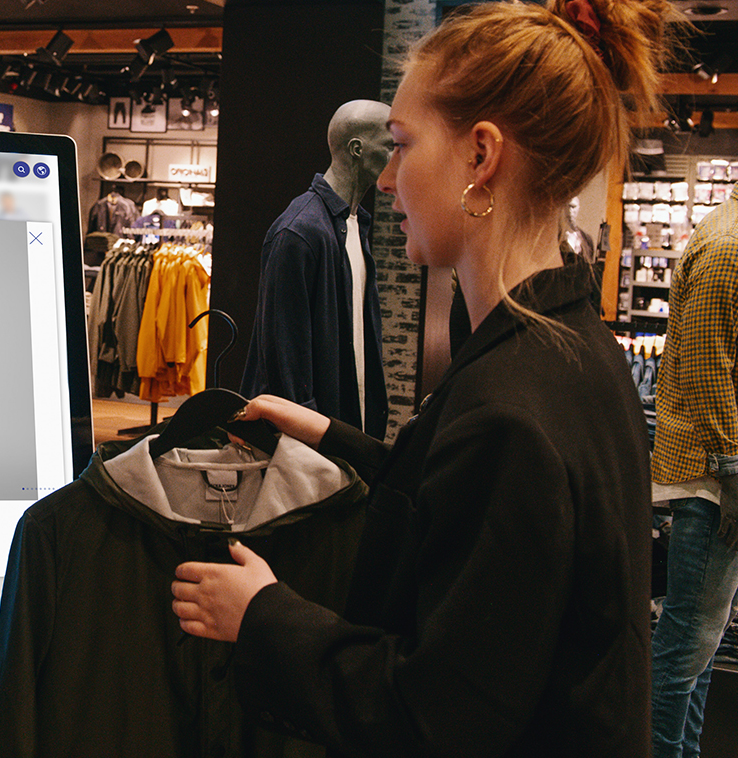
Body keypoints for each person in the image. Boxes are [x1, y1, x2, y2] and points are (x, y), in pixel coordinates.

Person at [172, 2, 678, 755]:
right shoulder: (570, 347)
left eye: (404, 148)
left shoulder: (510, 408)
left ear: (480, 157)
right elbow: (484, 529)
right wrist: (332, 436)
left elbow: (433, 715)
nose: (388, 182)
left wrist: (264, 616)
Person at [239, 99, 393, 439]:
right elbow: (283, 356)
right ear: (357, 149)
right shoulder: (299, 232)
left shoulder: (353, 224)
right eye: (390, 146)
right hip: (309, 445)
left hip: (346, 425)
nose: (397, 157)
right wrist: (311, 442)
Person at [650, 184, 738, 758]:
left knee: (698, 652)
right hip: (709, 482)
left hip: (713, 477)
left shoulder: (726, 231)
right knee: (684, 652)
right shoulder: (730, 245)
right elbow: (709, 370)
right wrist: (734, 472)